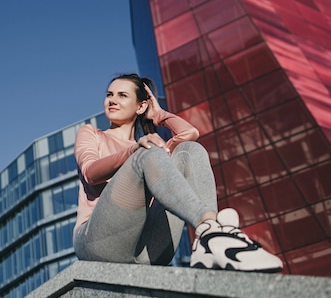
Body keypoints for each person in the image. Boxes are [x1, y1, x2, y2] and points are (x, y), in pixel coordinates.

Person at [72, 73, 282, 272]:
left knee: (190, 150)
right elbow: (90, 172)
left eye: (122, 95)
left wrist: (159, 115)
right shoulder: (93, 134)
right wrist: (134, 150)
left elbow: (190, 134)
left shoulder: (148, 146)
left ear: (141, 106)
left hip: (147, 249)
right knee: (148, 152)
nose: (112, 100)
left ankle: (208, 237)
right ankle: (210, 227)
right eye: (109, 94)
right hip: (97, 243)